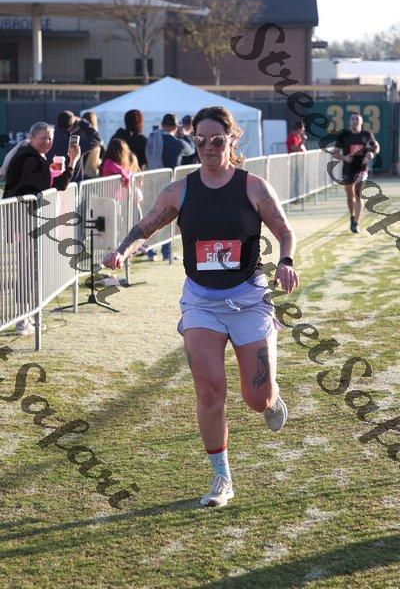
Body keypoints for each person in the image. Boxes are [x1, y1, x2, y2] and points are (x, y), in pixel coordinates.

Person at [103, 106, 299, 508]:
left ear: (232, 140)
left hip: (249, 299)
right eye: (201, 140)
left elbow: (284, 230)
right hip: (201, 302)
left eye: (217, 140)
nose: (209, 147)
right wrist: (122, 251)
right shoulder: (180, 190)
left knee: (256, 398)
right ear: (194, 141)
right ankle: (221, 478)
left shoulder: (254, 187)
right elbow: (145, 226)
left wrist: (285, 261)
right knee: (209, 390)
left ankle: (271, 396)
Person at [3, 121, 81, 336]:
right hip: (26, 223)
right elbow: (55, 187)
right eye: (43, 138)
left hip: (27, 222)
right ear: (32, 137)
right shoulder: (30, 158)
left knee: (31, 269)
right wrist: (73, 162)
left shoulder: (32, 156)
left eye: (50, 138)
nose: (47, 142)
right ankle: (23, 320)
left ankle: (28, 316)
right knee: (28, 270)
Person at [146, 113, 196, 261]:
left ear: (162, 125)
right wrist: (185, 135)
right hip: (169, 186)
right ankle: (166, 252)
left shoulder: (152, 137)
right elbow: (191, 149)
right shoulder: (176, 143)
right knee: (168, 219)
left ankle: (150, 251)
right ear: (175, 127)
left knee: (151, 217)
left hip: (151, 181)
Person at [333, 112, 380, 233]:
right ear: (349, 122)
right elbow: (334, 152)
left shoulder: (366, 135)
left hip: (361, 168)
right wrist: (344, 157)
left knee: (358, 194)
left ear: (361, 122)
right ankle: (352, 216)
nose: (355, 121)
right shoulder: (344, 135)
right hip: (348, 169)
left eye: (357, 119)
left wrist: (372, 153)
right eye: (353, 119)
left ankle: (356, 223)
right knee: (350, 197)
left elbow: (376, 147)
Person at [47, 110, 102, 183]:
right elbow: (96, 138)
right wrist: (82, 122)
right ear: (72, 125)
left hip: (51, 183)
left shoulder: (48, 140)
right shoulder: (74, 143)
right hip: (71, 183)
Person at [82, 111, 105, 179]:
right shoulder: (97, 139)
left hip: (82, 173)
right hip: (94, 173)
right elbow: (104, 155)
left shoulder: (81, 138)